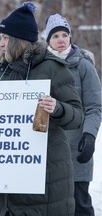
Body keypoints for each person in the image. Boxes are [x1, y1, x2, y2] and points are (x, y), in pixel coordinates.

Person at [0, 2, 84, 216]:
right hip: (5, 183)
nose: (0, 44)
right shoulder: (1, 72)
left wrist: (58, 108)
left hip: (45, 180)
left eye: (5, 38)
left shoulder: (53, 68)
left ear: (18, 41)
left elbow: (77, 116)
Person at [45, 13, 101, 216]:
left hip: (76, 149)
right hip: (48, 151)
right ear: (48, 41)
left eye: (64, 35)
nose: (61, 39)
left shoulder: (84, 66)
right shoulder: (42, 67)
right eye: (55, 36)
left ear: (70, 37)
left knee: (80, 205)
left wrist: (90, 135)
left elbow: (95, 107)